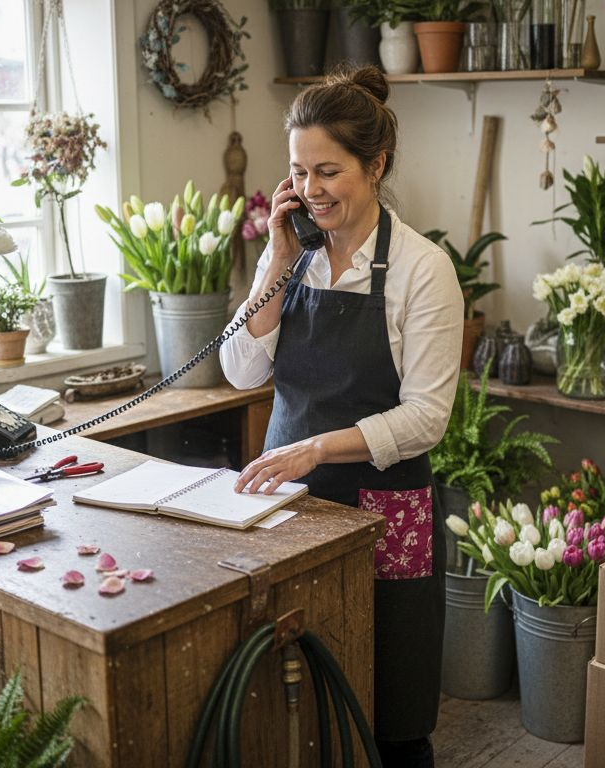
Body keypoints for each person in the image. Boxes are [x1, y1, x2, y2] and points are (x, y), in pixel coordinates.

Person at [220, 65, 464, 767]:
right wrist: (275, 250)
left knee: (391, 710)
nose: (312, 189)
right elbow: (241, 369)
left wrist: (316, 449)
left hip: (387, 509)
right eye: (300, 171)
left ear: (376, 163)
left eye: (329, 170)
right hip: (291, 507)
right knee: (299, 696)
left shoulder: (423, 270)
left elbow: (425, 418)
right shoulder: (293, 261)